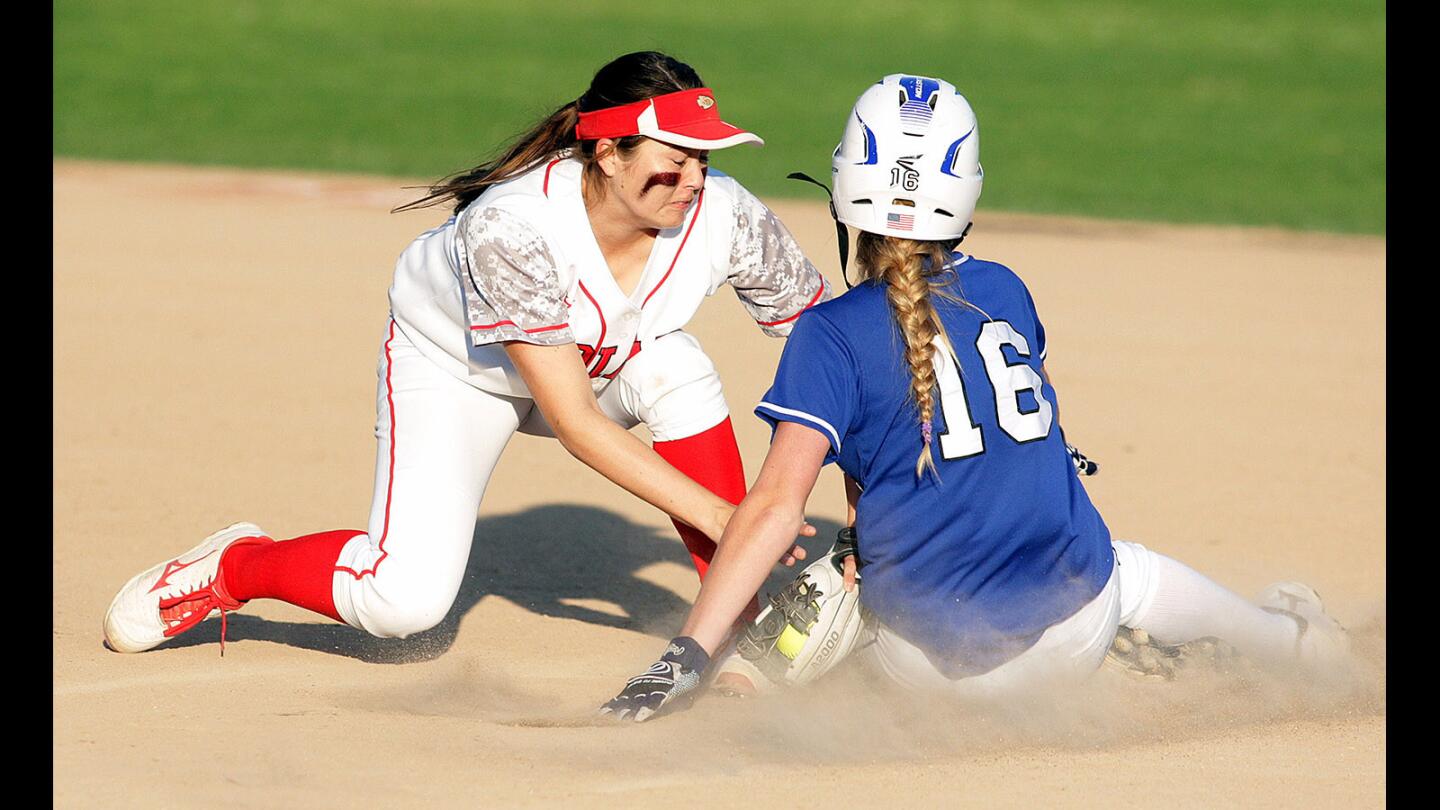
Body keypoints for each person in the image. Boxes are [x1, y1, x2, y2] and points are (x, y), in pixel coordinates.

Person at [599, 73, 1350, 722]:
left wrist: (688, 652)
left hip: (931, 680)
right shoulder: (1006, 290)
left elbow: (772, 512)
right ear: (964, 194)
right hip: (1078, 634)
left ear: (845, 189)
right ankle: (1294, 642)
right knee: (1127, 569)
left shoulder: (828, 335)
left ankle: (739, 680)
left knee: (844, 579)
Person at [103, 51, 830, 654]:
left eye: (704, 157)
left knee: (678, 367)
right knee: (400, 603)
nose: (695, 180)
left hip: (605, 364)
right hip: (460, 373)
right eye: (673, 162)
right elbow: (576, 423)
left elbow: (830, 343)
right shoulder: (511, 228)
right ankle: (236, 563)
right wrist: (730, 515)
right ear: (608, 154)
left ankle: (737, 620)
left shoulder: (725, 215)